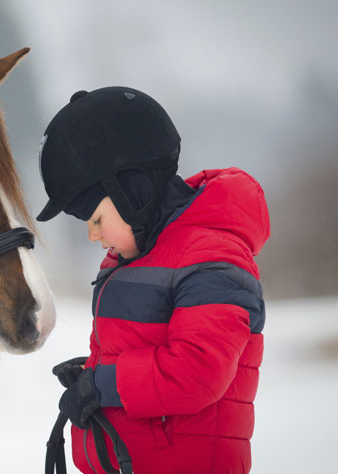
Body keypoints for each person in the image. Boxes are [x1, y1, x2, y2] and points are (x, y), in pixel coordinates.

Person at [36, 87, 269, 474]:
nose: (93, 236)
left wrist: (104, 385)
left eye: (95, 219)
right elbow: (146, 347)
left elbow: (197, 373)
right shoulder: (139, 255)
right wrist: (93, 374)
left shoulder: (212, 257)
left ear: (134, 192)